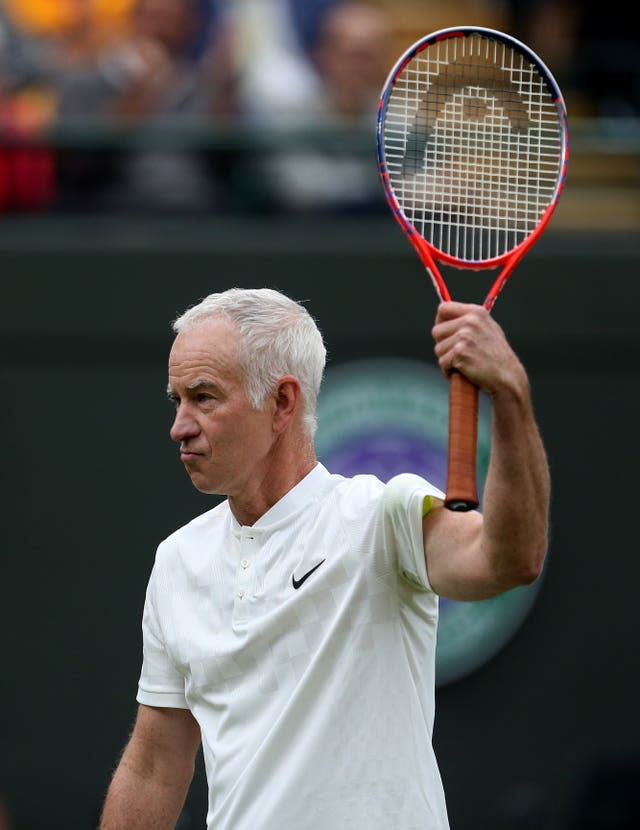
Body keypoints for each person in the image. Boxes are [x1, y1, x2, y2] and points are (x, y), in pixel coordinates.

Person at [99, 287, 550, 830]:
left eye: (204, 397)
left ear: (283, 403)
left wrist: (511, 395)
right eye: (177, 401)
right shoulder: (177, 560)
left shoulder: (381, 516)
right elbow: (153, 767)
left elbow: (509, 559)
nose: (180, 426)